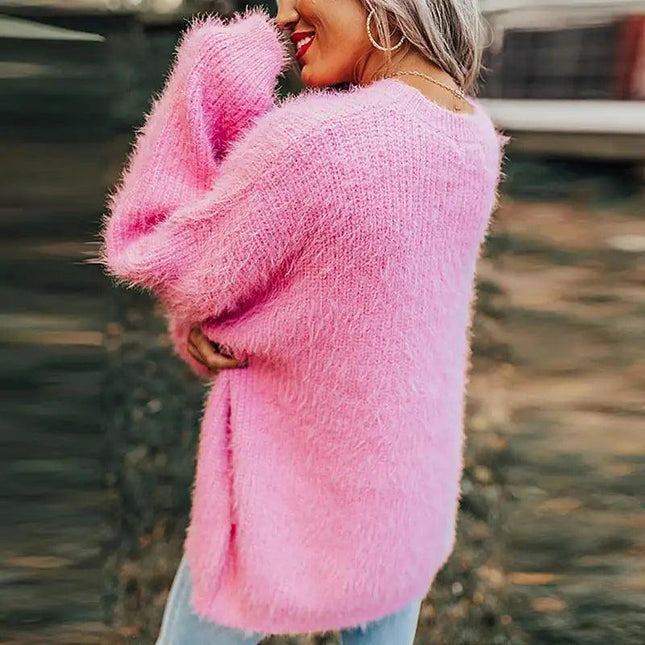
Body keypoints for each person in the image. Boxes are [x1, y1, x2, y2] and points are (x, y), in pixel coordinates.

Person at [99, 1, 508, 643]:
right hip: (405, 494)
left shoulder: (316, 143)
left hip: (289, 496)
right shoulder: (472, 133)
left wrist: (215, 66)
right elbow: (351, 294)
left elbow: (156, 250)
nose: (282, 12)